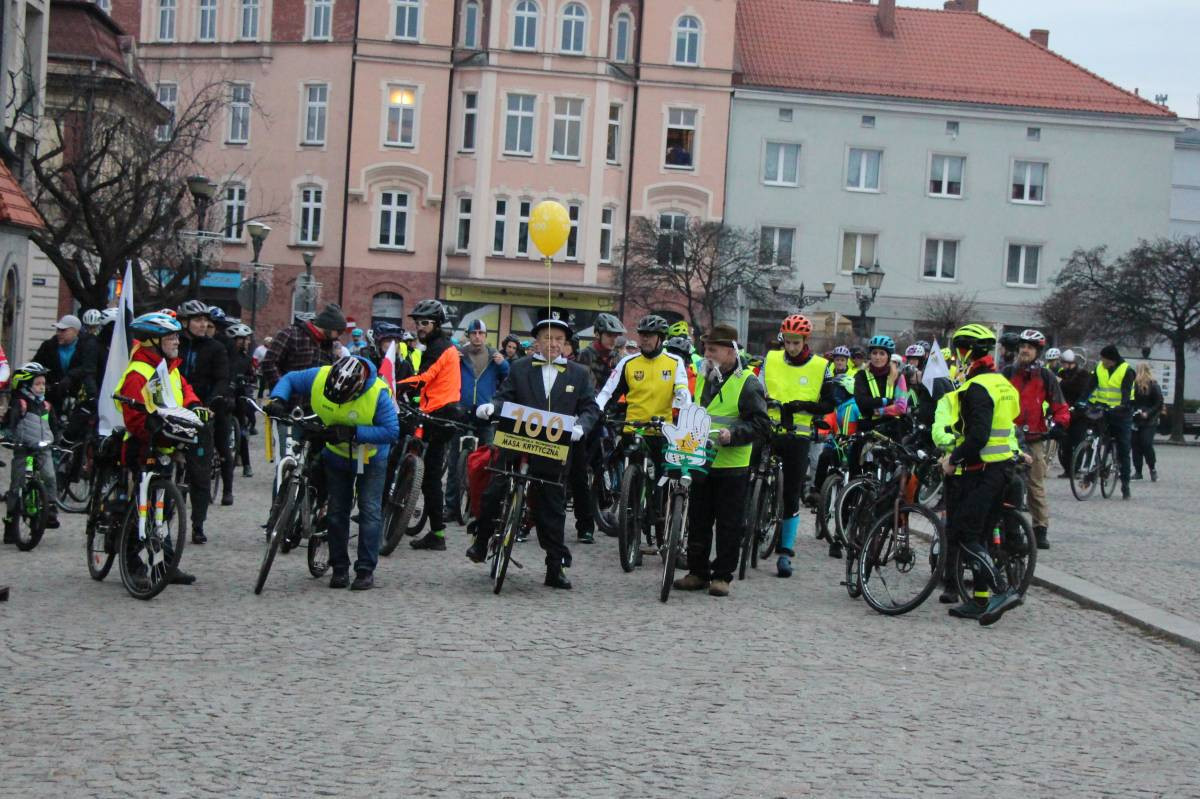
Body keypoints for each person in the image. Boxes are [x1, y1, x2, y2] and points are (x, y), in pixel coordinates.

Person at [467, 308, 600, 589]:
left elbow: (590, 407)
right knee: (495, 488)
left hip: (553, 449)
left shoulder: (578, 373)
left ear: (566, 344)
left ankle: (555, 567)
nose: (553, 343)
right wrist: (493, 407)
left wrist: (581, 427)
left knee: (552, 507)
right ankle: (481, 541)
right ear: (537, 341)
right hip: (516, 441)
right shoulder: (521, 367)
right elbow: (505, 396)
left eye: (559, 339)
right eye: (547, 338)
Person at [266, 356, 399, 590]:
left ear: (358, 388)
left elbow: (391, 431)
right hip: (336, 454)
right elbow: (290, 379)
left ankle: (365, 570)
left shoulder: (378, 393)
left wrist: (354, 432)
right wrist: (278, 397)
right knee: (337, 511)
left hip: (369, 457)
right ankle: (339, 568)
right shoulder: (320, 375)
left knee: (369, 511)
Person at [672, 324, 771, 597]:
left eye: (713, 350)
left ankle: (722, 576)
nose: (707, 354)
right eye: (706, 349)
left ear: (730, 351)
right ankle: (697, 572)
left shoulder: (747, 382)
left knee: (729, 524)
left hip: (732, 465)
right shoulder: (704, 376)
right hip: (701, 459)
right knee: (699, 519)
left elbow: (762, 425)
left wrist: (734, 435)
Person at [935, 323, 1023, 626]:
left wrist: (952, 459)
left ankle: (1001, 589)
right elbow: (1008, 423)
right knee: (982, 535)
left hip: (983, 470)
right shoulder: (1002, 383)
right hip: (1002, 469)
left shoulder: (977, 388)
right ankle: (980, 599)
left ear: (968, 353)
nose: (957, 357)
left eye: (959, 351)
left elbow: (978, 436)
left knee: (964, 533)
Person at [115, 312, 204, 586]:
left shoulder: (170, 366)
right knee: (142, 506)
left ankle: (165, 561)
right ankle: (133, 565)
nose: (177, 341)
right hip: (143, 447)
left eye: (177, 336)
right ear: (153, 341)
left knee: (163, 509)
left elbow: (184, 390)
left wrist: (194, 406)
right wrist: (155, 428)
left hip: (167, 445)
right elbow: (134, 416)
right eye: (171, 337)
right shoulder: (139, 371)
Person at [760, 314, 834, 578]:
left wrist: (803, 406)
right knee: (752, 476)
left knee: (791, 492)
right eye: (787, 342)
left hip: (798, 434)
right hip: (768, 428)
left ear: (805, 340)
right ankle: (751, 522)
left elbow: (829, 402)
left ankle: (785, 553)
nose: (791, 348)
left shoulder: (821, 366)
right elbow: (755, 387)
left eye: (796, 343)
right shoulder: (770, 359)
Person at [402, 300, 464, 551]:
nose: (420, 327)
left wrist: (395, 384)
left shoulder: (438, 347)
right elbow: (431, 384)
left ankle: (437, 534)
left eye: (425, 323)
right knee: (429, 474)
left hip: (440, 414)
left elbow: (424, 378)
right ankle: (436, 532)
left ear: (437, 324)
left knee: (428, 475)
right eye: (417, 323)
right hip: (438, 412)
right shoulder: (436, 345)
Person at [1002, 329, 1069, 550]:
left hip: (1033, 438)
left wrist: (1060, 423)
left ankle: (1040, 529)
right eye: (1022, 346)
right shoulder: (1008, 373)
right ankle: (1006, 526)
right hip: (1008, 436)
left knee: (1035, 486)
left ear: (1037, 352)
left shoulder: (1046, 376)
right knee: (1004, 482)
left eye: (1029, 347)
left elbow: (1059, 404)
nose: (1025, 350)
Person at [175, 301, 230, 540]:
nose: (202, 324)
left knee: (200, 471)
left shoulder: (215, 348)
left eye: (205, 320)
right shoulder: (174, 344)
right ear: (185, 322)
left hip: (203, 412)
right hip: (175, 411)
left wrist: (211, 403)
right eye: (197, 320)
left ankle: (198, 523)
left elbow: (222, 379)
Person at [445, 319, 508, 520]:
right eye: (474, 333)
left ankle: (480, 506)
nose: (477, 337)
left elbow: (509, 377)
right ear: (468, 335)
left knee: (488, 460)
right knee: (455, 460)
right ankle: (451, 507)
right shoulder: (459, 354)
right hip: (461, 410)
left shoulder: (493, 356)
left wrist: (504, 363)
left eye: (481, 333)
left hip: (485, 412)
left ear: (486, 336)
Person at [3, 363, 59, 541]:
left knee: (49, 476)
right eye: (37, 384)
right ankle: (11, 520)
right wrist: (8, 436)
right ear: (26, 386)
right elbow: (9, 424)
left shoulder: (46, 405)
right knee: (17, 484)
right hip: (23, 448)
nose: (42, 387)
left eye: (43, 383)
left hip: (43, 449)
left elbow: (55, 426)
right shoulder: (20, 403)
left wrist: (58, 439)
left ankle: (50, 507)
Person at [1087, 344, 1135, 500]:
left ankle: (1125, 484)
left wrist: (1123, 405)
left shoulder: (1126, 370)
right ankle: (1093, 471)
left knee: (1123, 448)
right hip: (1105, 410)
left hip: (1122, 413)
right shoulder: (1100, 368)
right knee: (1096, 439)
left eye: (1104, 358)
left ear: (1112, 360)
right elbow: (1089, 387)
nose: (1101, 361)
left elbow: (1126, 393)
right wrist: (1081, 402)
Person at [260, 304, 347, 389]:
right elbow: (269, 363)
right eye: (338, 332)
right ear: (329, 326)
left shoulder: (329, 345)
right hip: (289, 401)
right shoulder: (291, 334)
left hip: (315, 401)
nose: (338, 336)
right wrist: (282, 389)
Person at [32, 314, 99, 415]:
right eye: (58, 330)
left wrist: (71, 376)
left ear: (75, 331)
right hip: (53, 396)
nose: (59, 333)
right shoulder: (48, 346)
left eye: (63, 330)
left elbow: (89, 368)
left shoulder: (88, 346)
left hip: (78, 398)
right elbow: (36, 365)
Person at [853, 335, 907, 434]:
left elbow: (901, 407)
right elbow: (861, 401)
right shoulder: (861, 375)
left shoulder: (899, 377)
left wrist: (878, 410)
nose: (877, 357)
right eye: (874, 353)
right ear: (870, 355)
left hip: (891, 428)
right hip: (867, 428)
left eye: (882, 353)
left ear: (888, 357)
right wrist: (887, 401)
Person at [1056, 349, 1092, 476]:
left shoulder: (1083, 375)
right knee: (1064, 443)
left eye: (1065, 363)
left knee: (1077, 441)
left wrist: (1061, 383)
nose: (1064, 366)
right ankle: (1067, 469)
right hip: (1065, 412)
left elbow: (1078, 388)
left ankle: (1075, 468)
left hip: (1079, 414)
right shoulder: (1062, 373)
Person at [227, 323, 257, 475]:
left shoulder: (246, 358)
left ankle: (247, 464)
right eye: (243, 339)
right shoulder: (225, 356)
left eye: (246, 339)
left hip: (241, 394)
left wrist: (249, 379)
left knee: (243, 428)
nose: (246, 342)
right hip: (227, 393)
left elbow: (252, 374)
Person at [575, 312, 625, 391]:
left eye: (615, 336)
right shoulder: (584, 356)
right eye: (609, 335)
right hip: (588, 401)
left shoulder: (618, 359)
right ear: (597, 335)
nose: (613, 340)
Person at [1131, 362, 1162, 482]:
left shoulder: (1153, 385)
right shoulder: (1134, 385)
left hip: (1149, 421)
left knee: (1146, 443)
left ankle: (1152, 468)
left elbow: (1158, 403)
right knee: (1135, 445)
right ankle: (1138, 471)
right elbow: (1131, 401)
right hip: (1136, 418)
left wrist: (1148, 413)